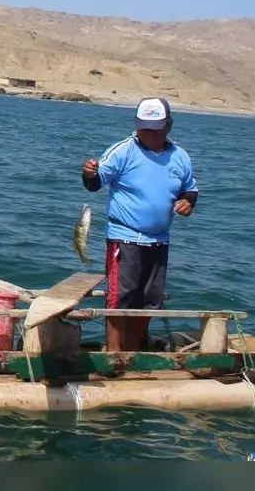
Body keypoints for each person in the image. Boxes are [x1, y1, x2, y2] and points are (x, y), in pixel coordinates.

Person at [80, 97, 199, 353]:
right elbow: (94, 183)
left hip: (159, 241)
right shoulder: (123, 150)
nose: (150, 133)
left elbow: (190, 191)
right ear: (136, 124)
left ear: (168, 125)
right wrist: (88, 173)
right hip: (124, 238)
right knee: (120, 298)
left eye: (155, 128)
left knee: (148, 301)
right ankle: (113, 354)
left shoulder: (180, 157)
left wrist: (187, 203)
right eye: (144, 127)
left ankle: (132, 353)